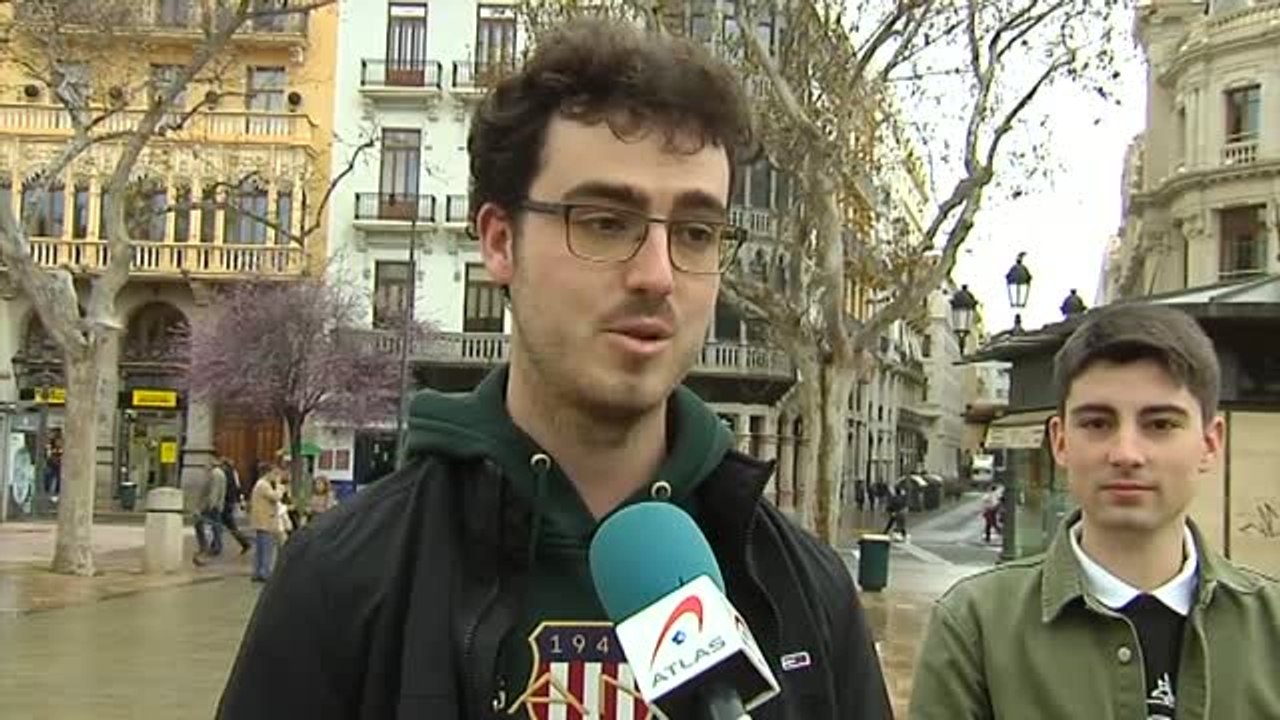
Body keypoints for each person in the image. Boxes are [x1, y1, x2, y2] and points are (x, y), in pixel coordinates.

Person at [218, 17, 891, 720]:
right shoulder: (342, 582)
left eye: (695, 233)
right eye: (604, 221)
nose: (658, 275)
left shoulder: (808, 592)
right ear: (500, 242)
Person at [909, 305, 1280, 719]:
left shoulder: (1272, 630)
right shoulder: (975, 628)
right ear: (1061, 441)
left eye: (1160, 425)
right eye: (1098, 423)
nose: (1126, 453)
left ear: (1210, 444)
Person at [248, 464, 285, 583]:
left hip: (261, 521)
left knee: (260, 549)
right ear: (268, 473)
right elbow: (276, 497)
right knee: (267, 549)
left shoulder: (260, 484)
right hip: (266, 522)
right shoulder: (264, 485)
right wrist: (280, 486)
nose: (276, 476)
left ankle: (257, 572)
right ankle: (265, 572)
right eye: (275, 474)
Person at [219, 456, 251, 554]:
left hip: (226, 502)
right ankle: (215, 544)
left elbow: (227, 488)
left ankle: (244, 542)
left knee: (226, 524)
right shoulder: (233, 473)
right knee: (224, 524)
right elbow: (237, 487)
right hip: (230, 501)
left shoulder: (226, 473)